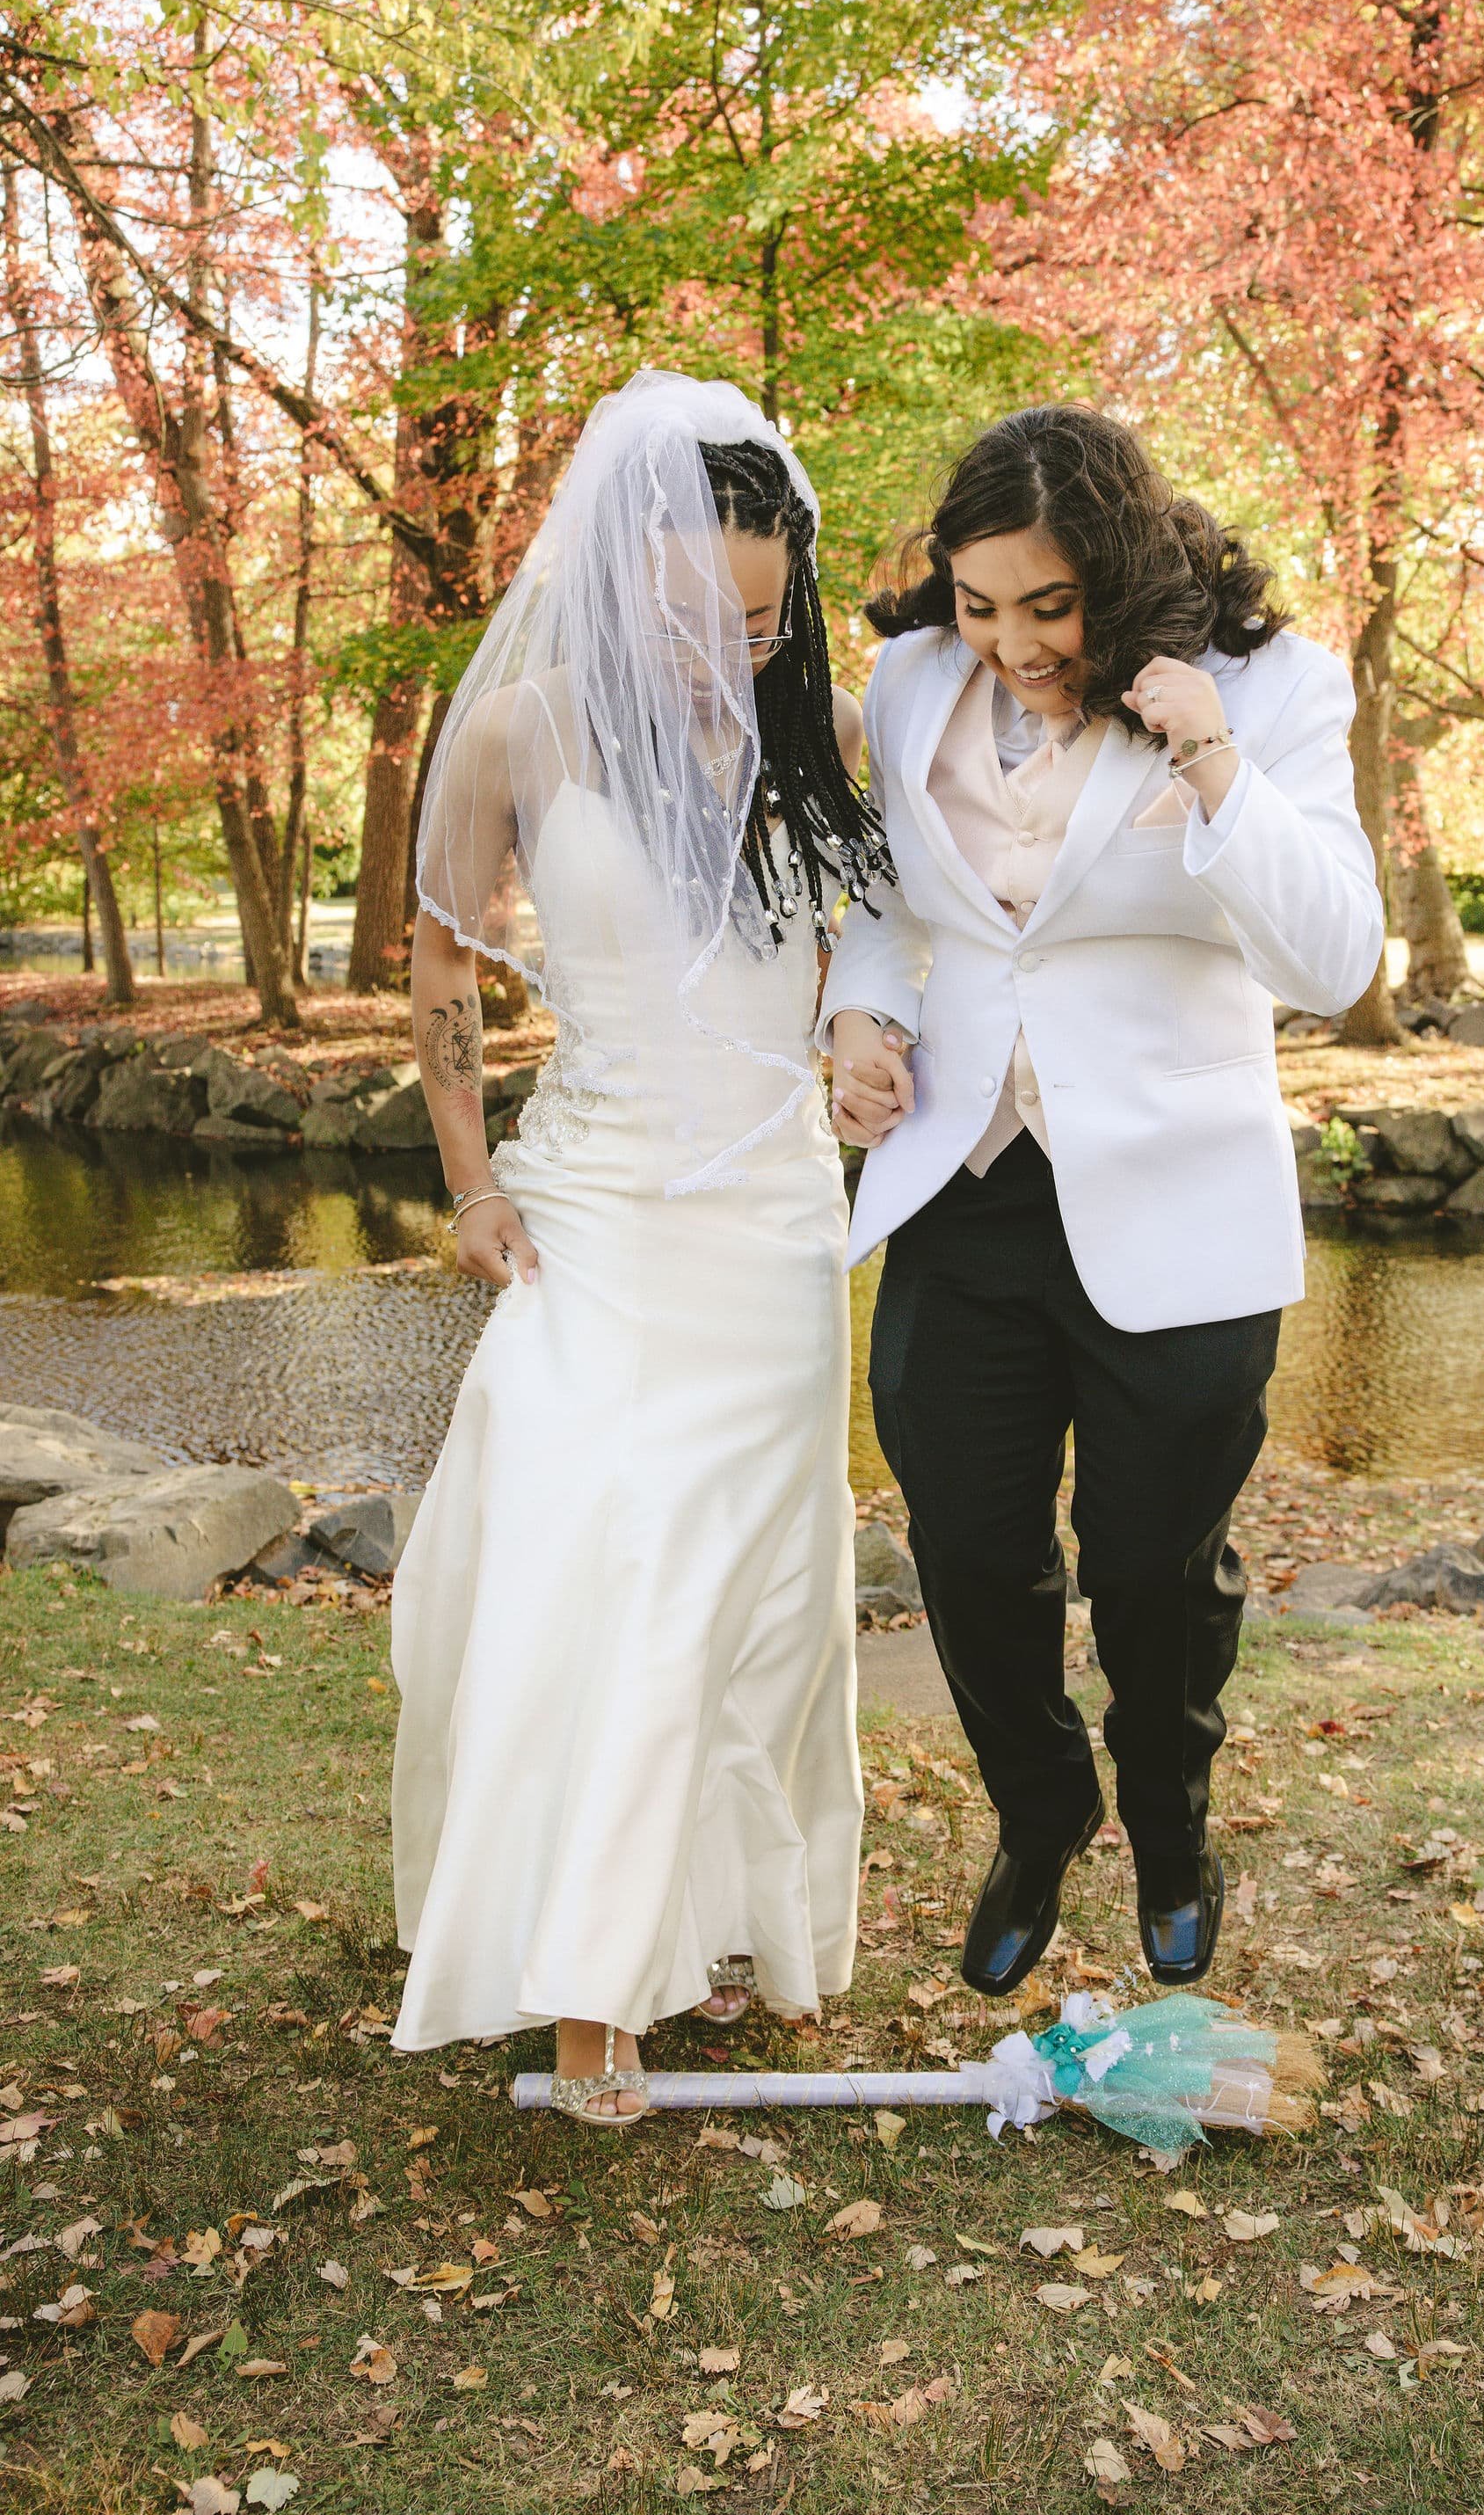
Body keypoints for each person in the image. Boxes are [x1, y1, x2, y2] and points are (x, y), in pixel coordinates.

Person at [823, 404, 1383, 1999]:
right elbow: (882, 906)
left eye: (1048, 607)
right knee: (970, 1549)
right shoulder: (909, 680)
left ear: (1121, 569)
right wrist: (858, 1020)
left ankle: (1172, 1823)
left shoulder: (1276, 687)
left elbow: (1336, 962)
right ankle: (1040, 1810)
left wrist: (1209, 758)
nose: (1010, 643)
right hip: (965, 1186)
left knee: (1151, 1567)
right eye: (980, 603)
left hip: (1180, 1196)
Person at [389, 369, 891, 2125]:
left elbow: (898, 935)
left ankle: (732, 1913)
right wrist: (470, 1184)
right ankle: (590, 1977)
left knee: (745, 1592)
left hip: (767, 1230)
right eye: (685, 616)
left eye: (757, 621)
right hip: (589, 1211)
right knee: (599, 1552)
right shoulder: (520, 734)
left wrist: (867, 1038)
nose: (721, 654)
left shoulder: (824, 735)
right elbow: (443, 971)